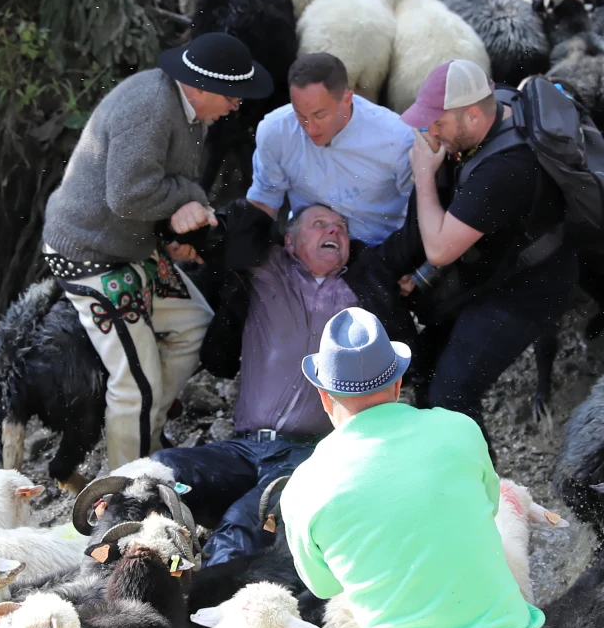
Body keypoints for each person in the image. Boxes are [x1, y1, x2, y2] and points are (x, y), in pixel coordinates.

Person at [279, 307, 546, 628]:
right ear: (398, 381)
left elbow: (325, 582)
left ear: (324, 395)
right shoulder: (460, 430)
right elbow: (488, 509)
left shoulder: (303, 486)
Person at [40, 33, 273, 475]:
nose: (236, 106)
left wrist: (174, 226)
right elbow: (128, 195)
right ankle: (124, 492)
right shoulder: (150, 106)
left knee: (192, 323)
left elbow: (162, 186)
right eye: (232, 96)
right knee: (134, 384)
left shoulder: (190, 112)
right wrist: (190, 200)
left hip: (134, 246)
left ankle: (145, 434)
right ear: (201, 87)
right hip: (92, 254)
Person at [149, 201, 414, 567]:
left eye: (342, 228)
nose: (334, 231)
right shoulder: (265, 268)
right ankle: (127, 577)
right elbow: (230, 228)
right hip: (242, 450)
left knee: (244, 524)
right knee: (159, 472)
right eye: (320, 224)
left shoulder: (364, 289)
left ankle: (200, 611)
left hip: (307, 454)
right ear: (289, 242)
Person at [401, 59, 578, 447]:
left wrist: (424, 176)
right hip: (502, 266)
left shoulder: (505, 170)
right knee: (427, 368)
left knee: (452, 394)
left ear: (474, 115)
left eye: (439, 123)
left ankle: (489, 498)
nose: (430, 132)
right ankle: (440, 468)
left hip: (529, 290)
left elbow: (441, 249)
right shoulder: (498, 108)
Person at [247, 53, 416, 245]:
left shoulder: (398, 137)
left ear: (347, 99)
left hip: (378, 251)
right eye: (300, 115)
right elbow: (264, 201)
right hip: (308, 252)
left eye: (319, 115)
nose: (309, 128)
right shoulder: (275, 131)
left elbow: (421, 210)